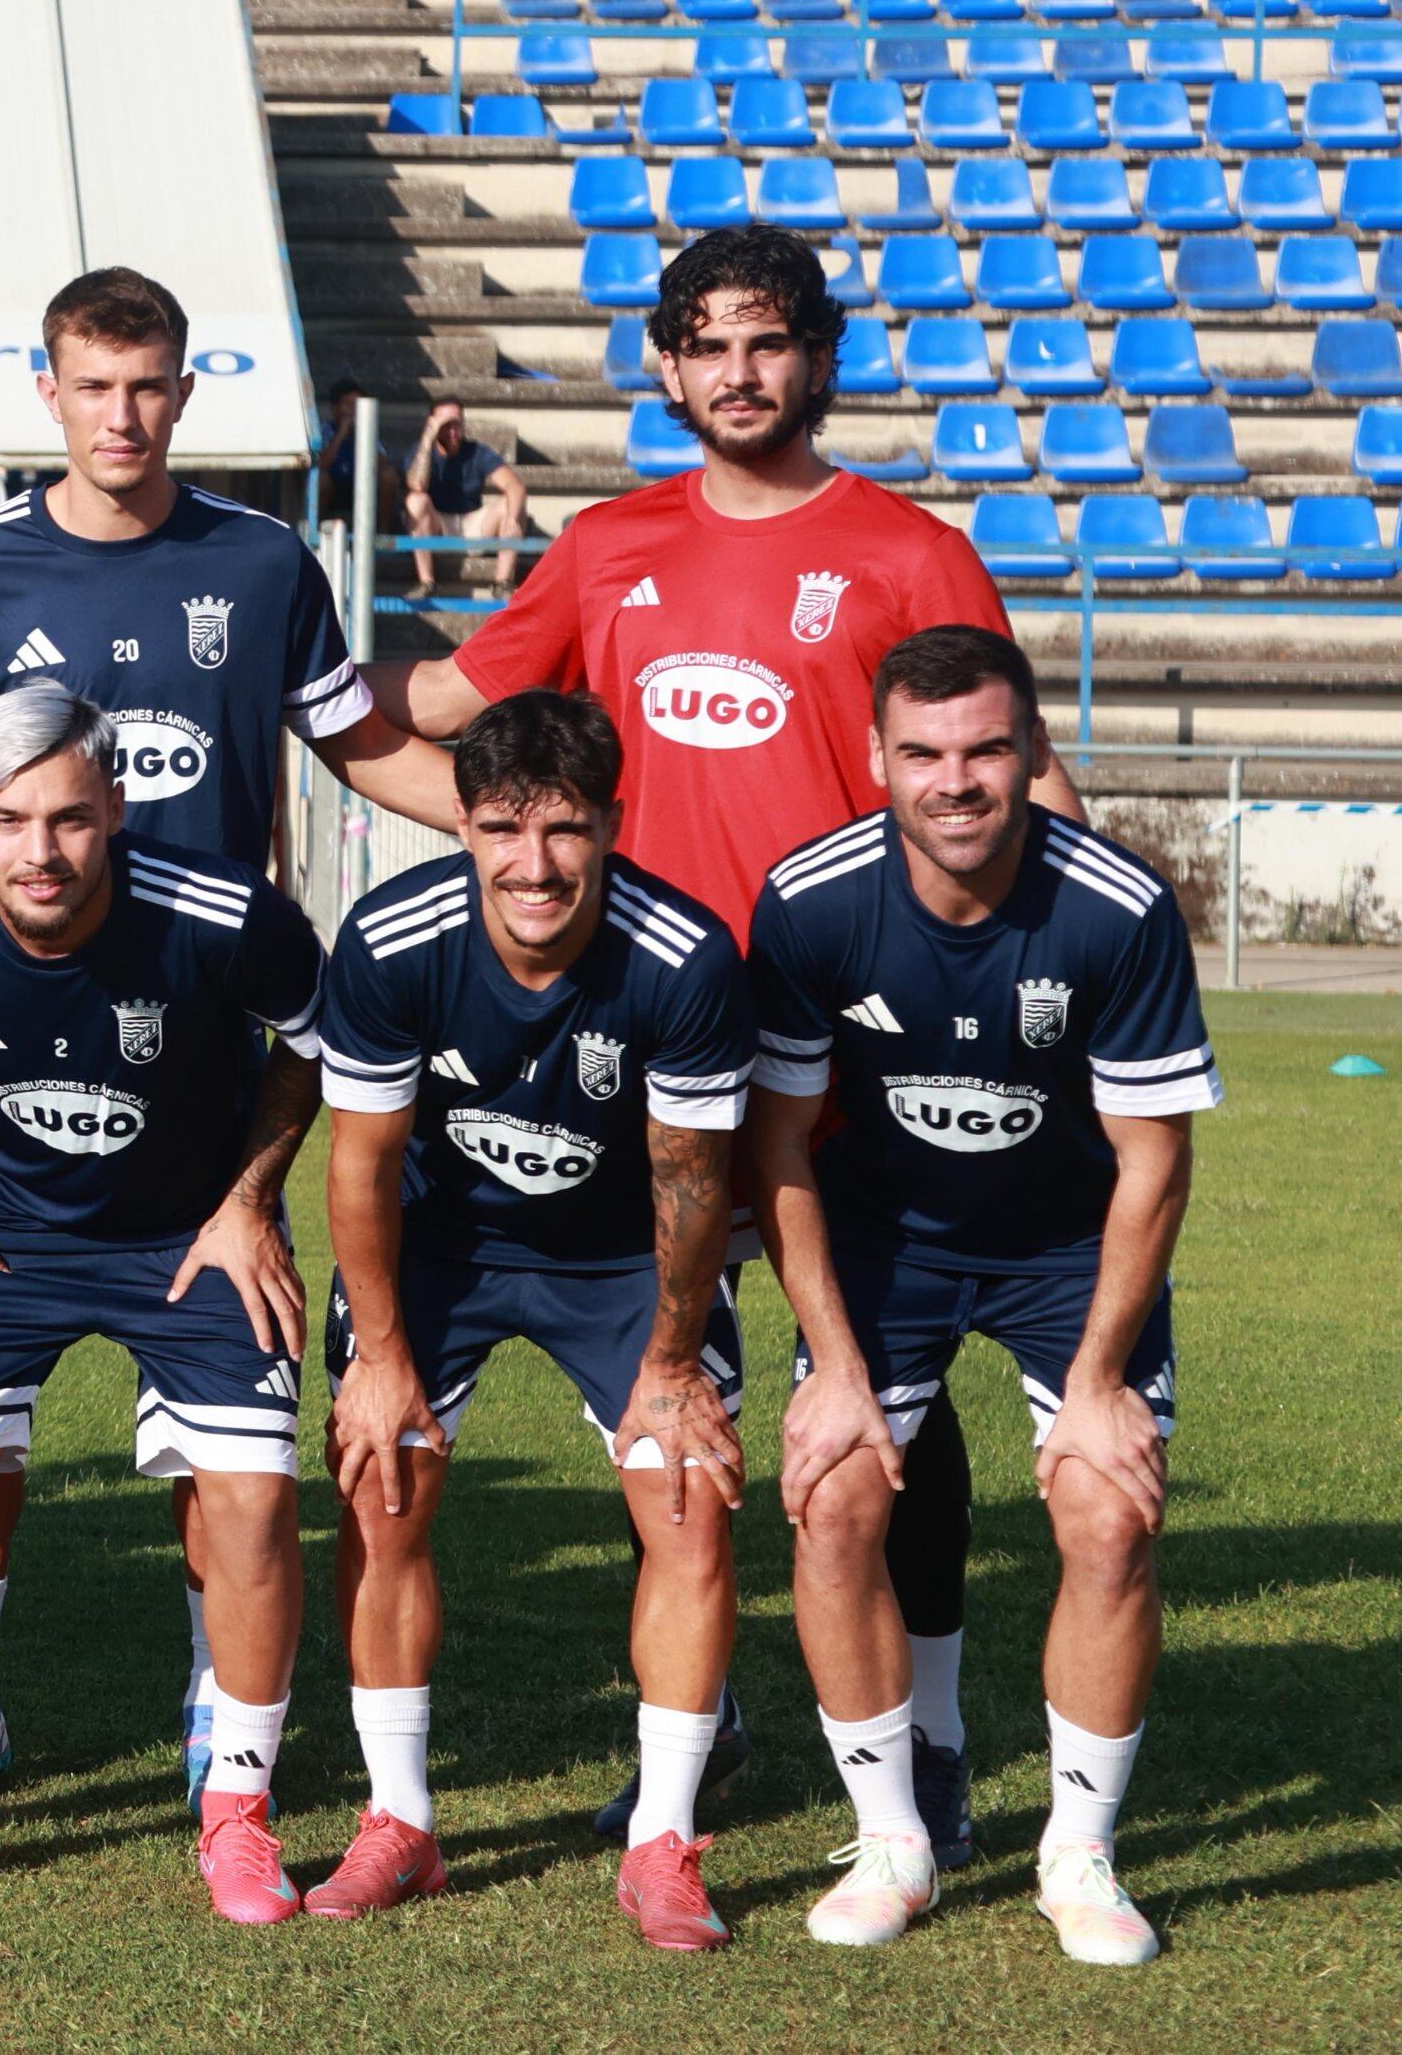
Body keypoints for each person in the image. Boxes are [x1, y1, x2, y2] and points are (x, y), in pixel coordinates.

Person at [368, 222, 1080, 1854]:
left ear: (816, 358)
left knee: (892, 1389)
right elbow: (456, 716)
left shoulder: (910, 553)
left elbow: (1005, 769)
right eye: (706, 343)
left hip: (863, 1032)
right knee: (662, 1386)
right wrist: (288, 669)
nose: (738, 373)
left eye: (768, 342)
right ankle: (698, 1718)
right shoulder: (608, 544)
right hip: (643, 1035)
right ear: (666, 365)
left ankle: (942, 1729)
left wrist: (1087, 966)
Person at [0, 265, 454, 1803]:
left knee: (216, 1438)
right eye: (94, 385)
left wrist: (509, 826)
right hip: (23, 1049)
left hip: (208, 1038)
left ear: (185, 391)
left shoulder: (267, 559)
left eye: (149, 385)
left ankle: (222, 1690)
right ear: (50, 394)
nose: (123, 416)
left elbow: (359, 746)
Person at [746, 627, 1214, 1966]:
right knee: (834, 1491)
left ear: (1032, 753)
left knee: (1107, 1507)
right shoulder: (812, 900)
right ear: (880, 758)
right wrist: (833, 1365)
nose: (958, 780)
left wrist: (1101, 1379)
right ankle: (895, 1840)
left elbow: (1154, 1163)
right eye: (926, 752)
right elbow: (776, 1146)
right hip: (886, 1240)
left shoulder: (1116, 907)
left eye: (989, 749)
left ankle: (1080, 1852)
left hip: (1071, 1246)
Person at [0, 680, 328, 1922]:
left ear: (115, 806)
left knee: (254, 1499)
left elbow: (320, 1036)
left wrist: (252, 1197)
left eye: (67, 817)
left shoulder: (223, 916)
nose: (39, 850)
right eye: (8, 819)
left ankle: (238, 1812)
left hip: (189, 1238)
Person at [310, 689, 754, 1949]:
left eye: (562, 828)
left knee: (685, 1491)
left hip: (619, 1255)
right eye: (503, 826)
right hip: (438, 1243)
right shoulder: (391, 939)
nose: (534, 863)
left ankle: (662, 1841)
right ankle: (399, 1822)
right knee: (380, 1479)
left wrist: (671, 1363)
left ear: (612, 823)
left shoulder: (683, 956)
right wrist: (381, 1358)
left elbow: (690, 1182)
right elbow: (357, 1167)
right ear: (462, 824)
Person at [402, 400, 533, 589]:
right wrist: (427, 439)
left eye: (457, 423)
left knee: (512, 503)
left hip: (473, 525)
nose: (453, 431)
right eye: (446, 425)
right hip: (437, 526)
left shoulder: (477, 452)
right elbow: (417, 485)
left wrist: (512, 519)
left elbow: (515, 486)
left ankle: (502, 582)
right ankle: (426, 582)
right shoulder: (420, 451)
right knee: (415, 501)